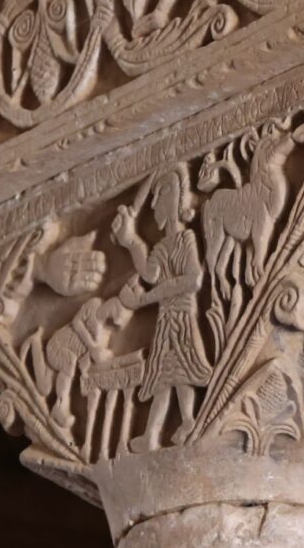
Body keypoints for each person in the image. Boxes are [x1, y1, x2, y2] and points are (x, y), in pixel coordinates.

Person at [111, 164, 212, 452]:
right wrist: (131, 240)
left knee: (180, 369)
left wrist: (143, 300)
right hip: (166, 318)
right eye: (153, 197)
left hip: (181, 315)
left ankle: (188, 421)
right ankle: (154, 434)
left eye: (160, 196)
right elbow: (150, 273)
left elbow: (193, 279)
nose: (154, 204)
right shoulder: (161, 246)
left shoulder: (185, 239)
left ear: (173, 198)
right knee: (163, 375)